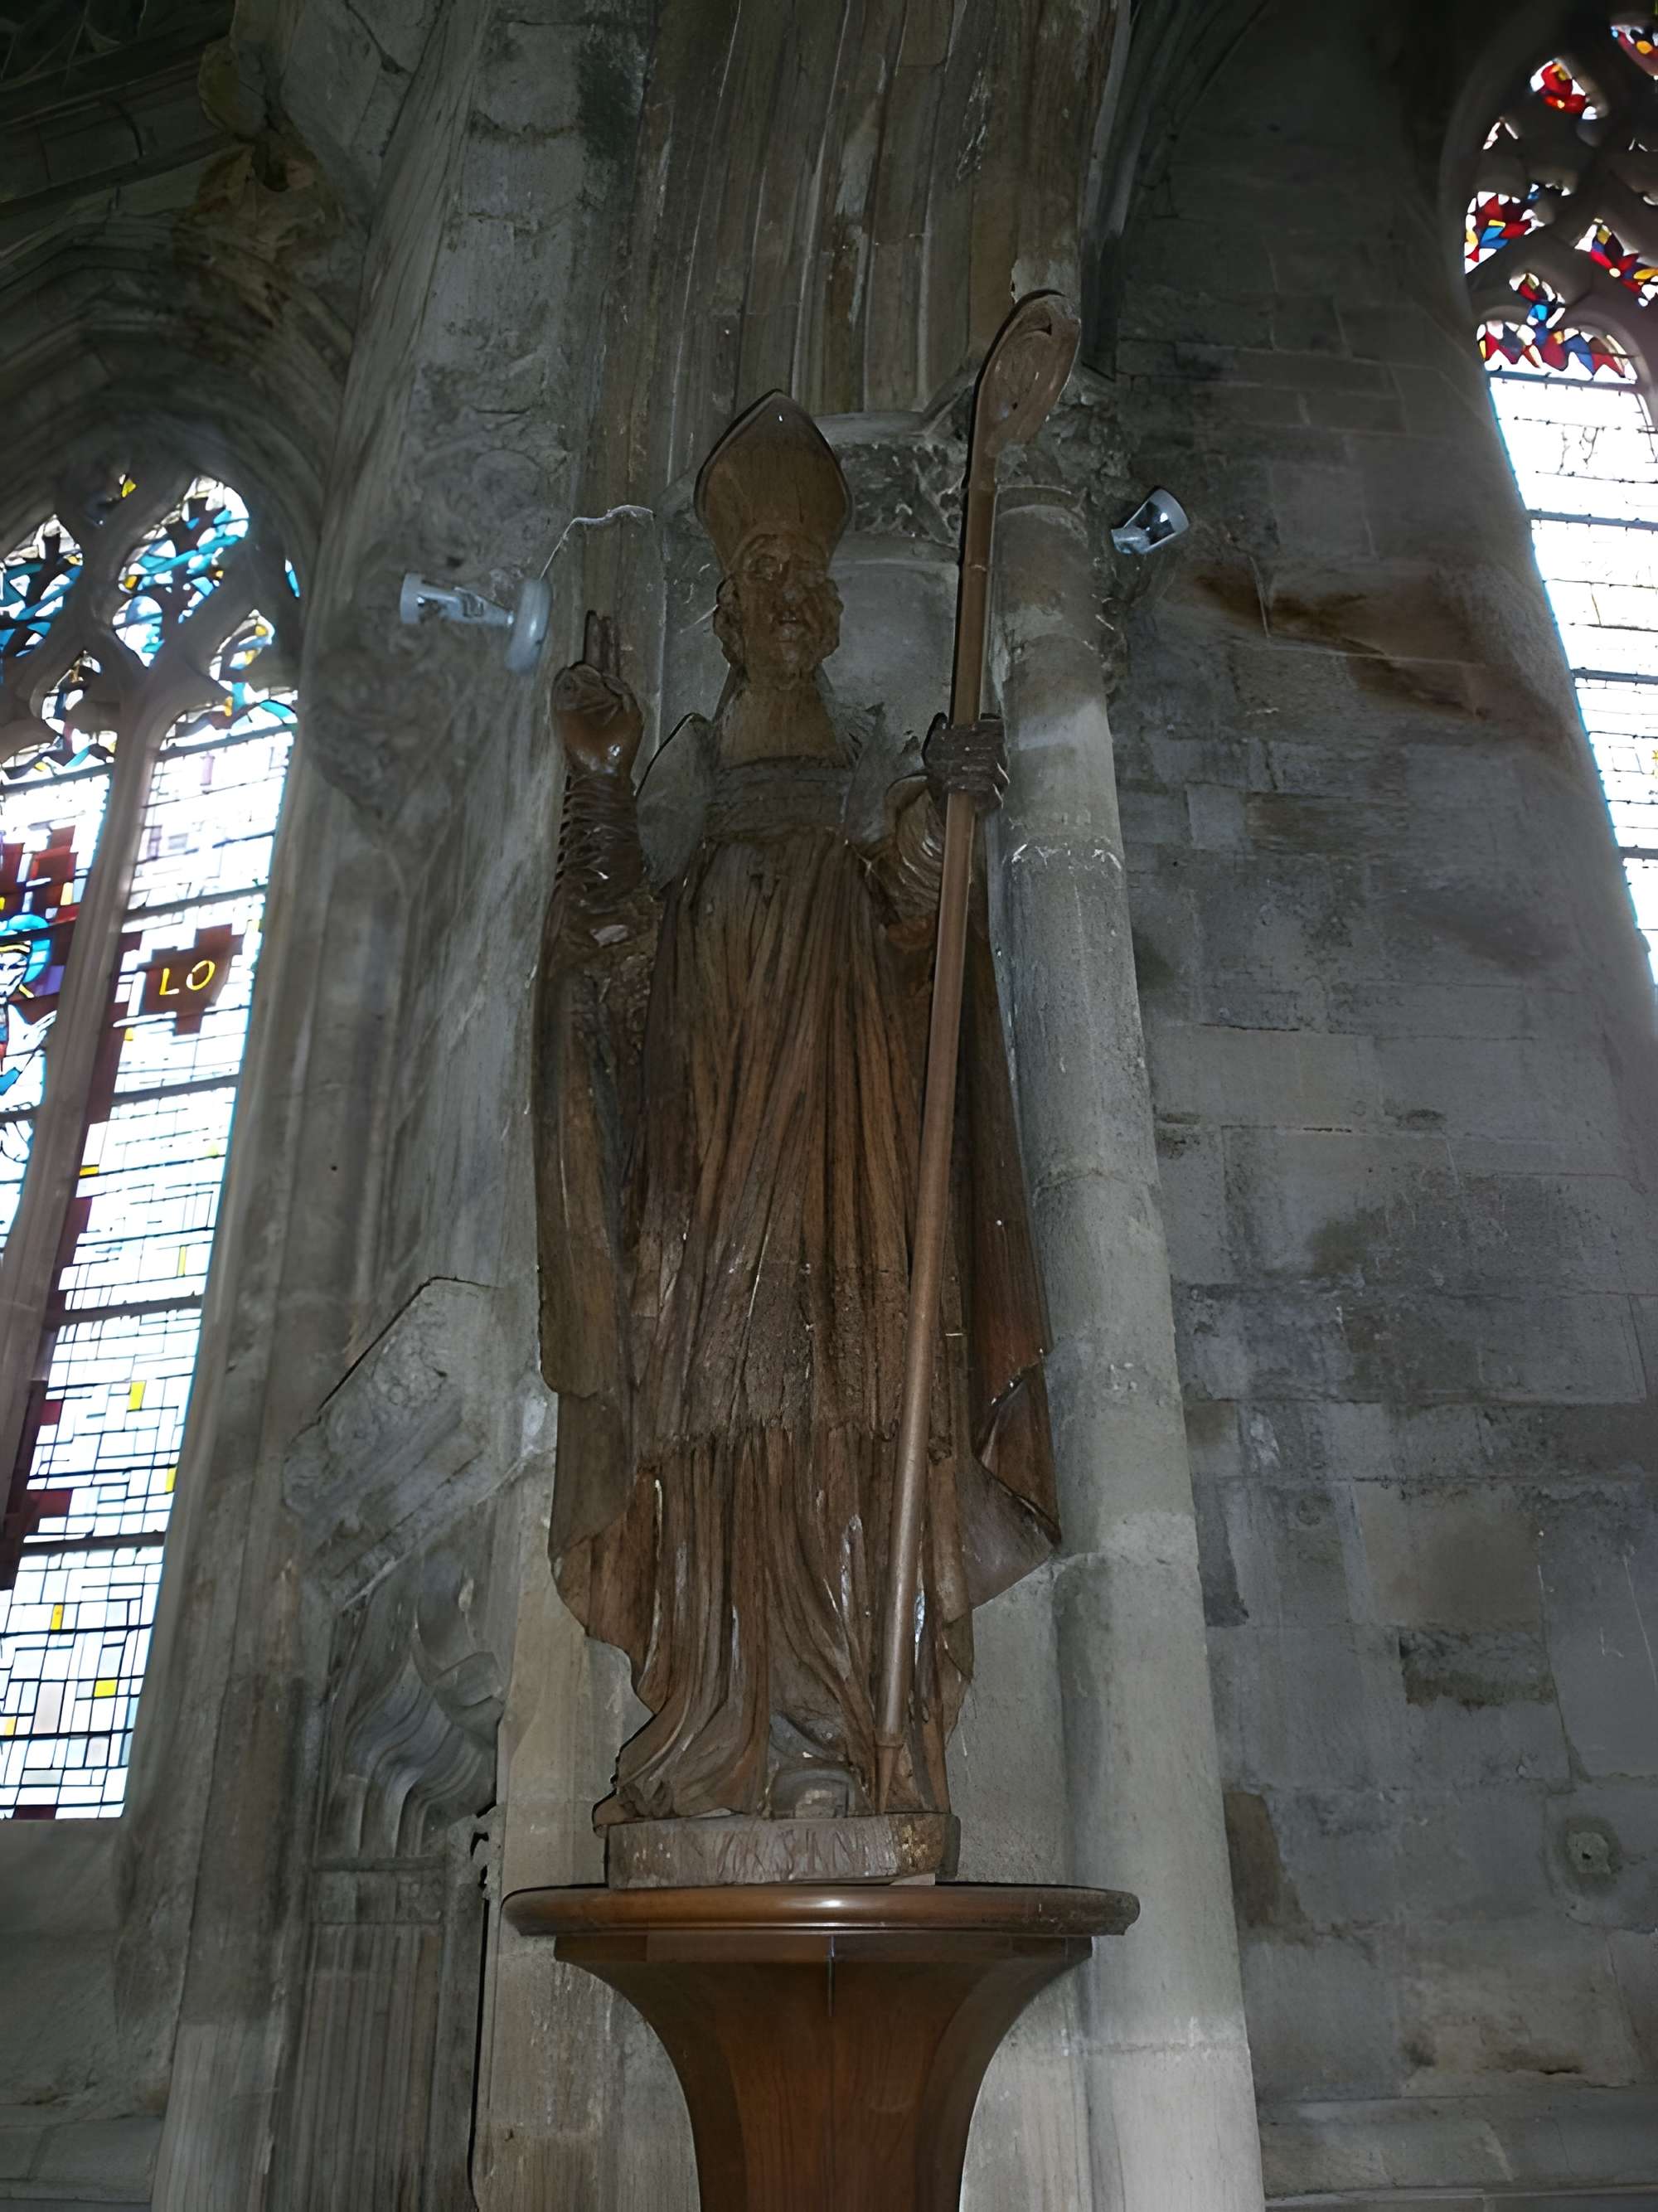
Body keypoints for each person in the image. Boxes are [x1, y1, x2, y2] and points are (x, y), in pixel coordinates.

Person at [535, 395, 1056, 1828]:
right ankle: (719, 1721)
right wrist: (593, 785)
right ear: (725, 614)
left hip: (851, 1173)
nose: (792, 610)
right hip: (706, 1183)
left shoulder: (872, 771)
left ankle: (849, 1730)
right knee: (712, 1432)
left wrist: (943, 821)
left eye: (809, 590)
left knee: (844, 1419)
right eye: (765, 589)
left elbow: (915, 924)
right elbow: (606, 953)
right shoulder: (690, 778)